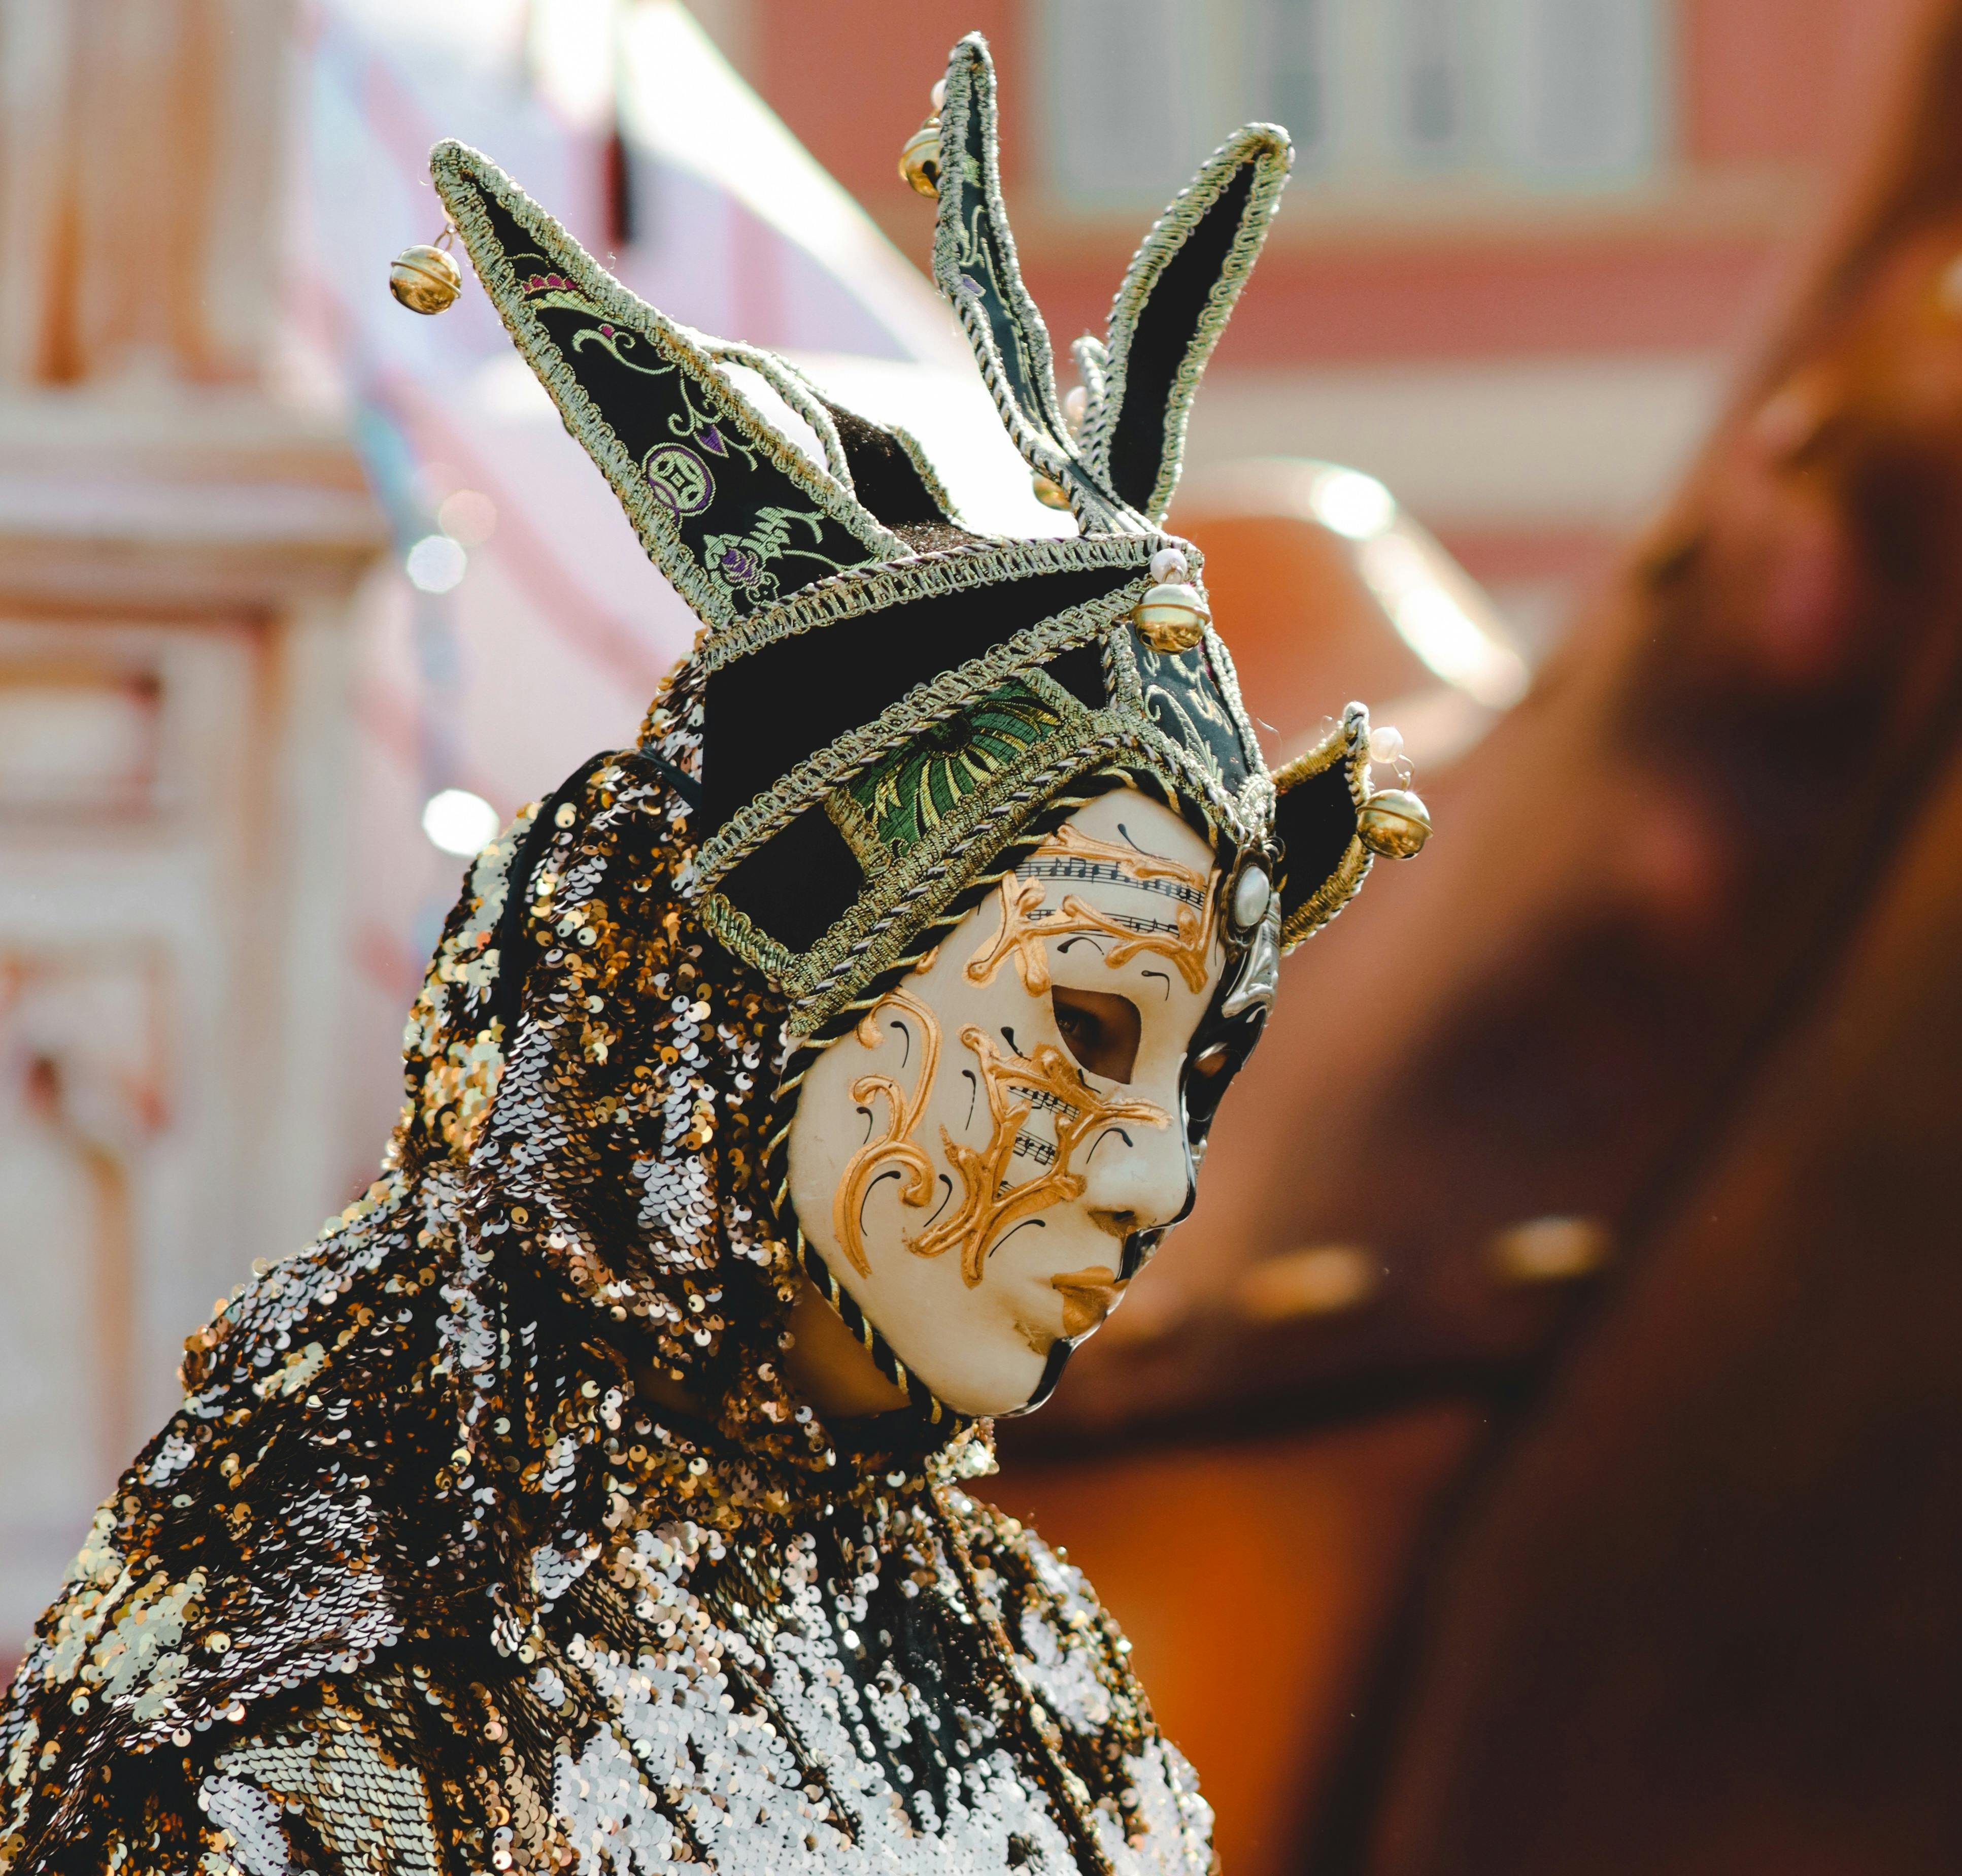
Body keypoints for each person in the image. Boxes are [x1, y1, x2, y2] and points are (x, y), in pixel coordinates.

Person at [0, 36, 1426, 1875]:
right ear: (759, 1003)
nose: (1157, 1177)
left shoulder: (1037, 1668)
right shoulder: (332, 1702)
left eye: (1198, 1072)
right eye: (1084, 1029)